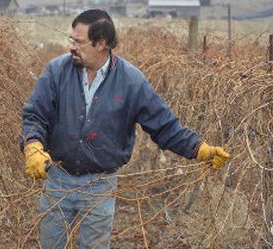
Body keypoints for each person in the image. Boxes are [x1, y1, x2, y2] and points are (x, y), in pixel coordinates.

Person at [21, 9, 230, 249]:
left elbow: (164, 124)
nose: (71, 47)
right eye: (71, 40)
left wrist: (199, 149)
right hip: (57, 179)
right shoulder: (56, 71)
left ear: (101, 43)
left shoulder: (131, 80)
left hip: (100, 185)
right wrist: (33, 144)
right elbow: (35, 114)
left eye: (78, 42)